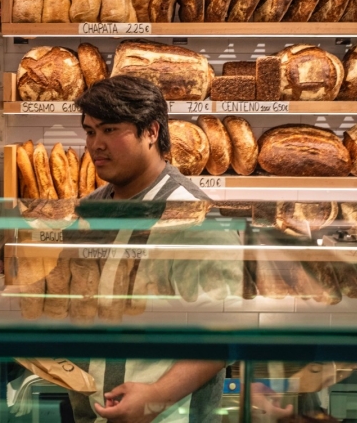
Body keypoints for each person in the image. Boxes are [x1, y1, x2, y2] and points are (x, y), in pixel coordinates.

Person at [57, 75, 232, 423]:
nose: (96, 145)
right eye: (90, 131)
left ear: (151, 132)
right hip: (90, 412)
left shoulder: (190, 215)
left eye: (110, 130)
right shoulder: (92, 208)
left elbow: (224, 331)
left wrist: (156, 396)